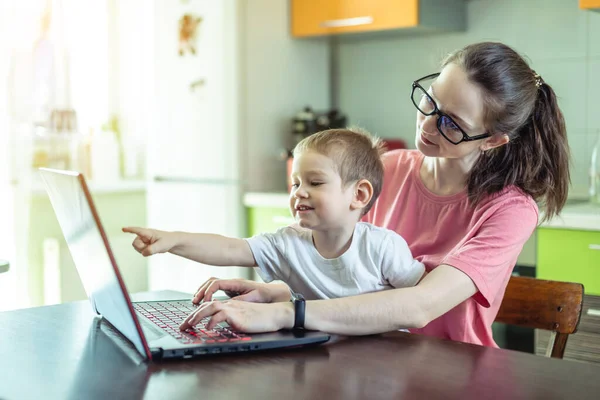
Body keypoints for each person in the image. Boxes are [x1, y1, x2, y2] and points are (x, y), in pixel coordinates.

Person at [181, 41, 571, 347]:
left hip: (449, 370)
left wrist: (288, 313)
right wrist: (273, 293)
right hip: (362, 348)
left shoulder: (510, 210)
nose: (428, 124)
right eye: (430, 100)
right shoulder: (388, 168)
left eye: (452, 122)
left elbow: (419, 306)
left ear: (493, 140)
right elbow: (347, 272)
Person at [123, 128, 425, 331]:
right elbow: (230, 248)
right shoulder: (288, 242)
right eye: (295, 183)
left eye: (315, 182)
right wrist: (173, 240)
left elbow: (420, 301)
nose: (299, 192)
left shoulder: (384, 247)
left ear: (359, 195)